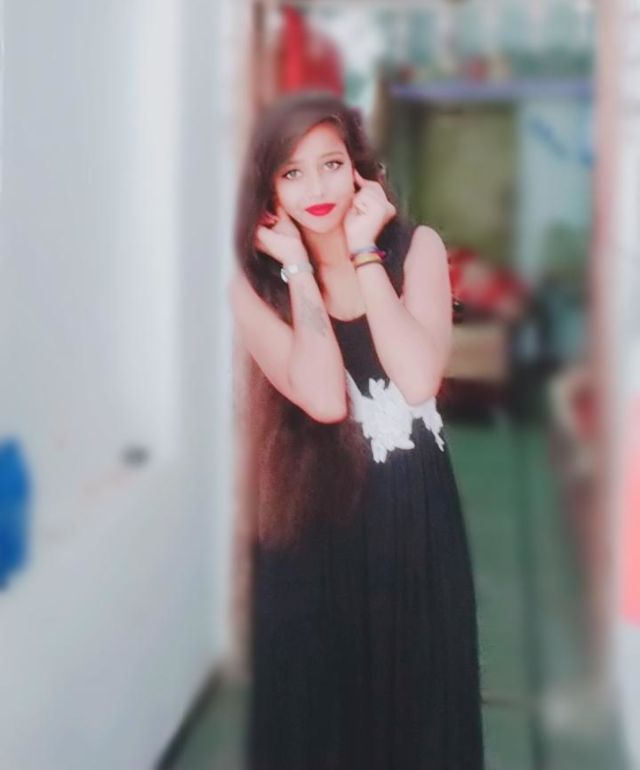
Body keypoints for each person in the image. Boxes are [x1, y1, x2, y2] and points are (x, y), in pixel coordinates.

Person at [228, 90, 485, 770]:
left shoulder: (415, 248)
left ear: (359, 170)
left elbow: (418, 377)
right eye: (292, 172)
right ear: (268, 190)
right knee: (323, 726)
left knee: (419, 711)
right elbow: (322, 397)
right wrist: (297, 269)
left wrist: (365, 252)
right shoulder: (251, 283)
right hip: (312, 517)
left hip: (412, 517)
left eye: (331, 164)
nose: (317, 189)